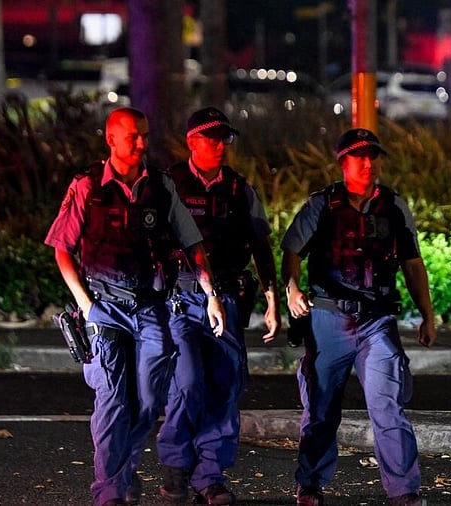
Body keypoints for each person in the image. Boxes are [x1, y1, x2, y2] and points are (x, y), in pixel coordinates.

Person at [44, 107, 226, 506]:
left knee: (147, 401)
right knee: (112, 401)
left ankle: (123, 472)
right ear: (111, 140)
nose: (142, 143)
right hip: (103, 307)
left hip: (150, 307)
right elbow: (61, 248)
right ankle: (108, 493)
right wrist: (85, 305)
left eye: (145, 135)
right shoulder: (87, 186)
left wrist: (211, 294)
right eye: (133, 137)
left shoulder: (160, 186)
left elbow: (192, 243)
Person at [280, 128, 437, 506]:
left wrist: (427, 315)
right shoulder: (321, 205)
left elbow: (413, 264)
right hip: (328, 319)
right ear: (343, 163)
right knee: (320, 408)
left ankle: (404, 491)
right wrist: (292, 290)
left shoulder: (394, 207)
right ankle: (310, 483)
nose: (368, 164)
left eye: (373, 156)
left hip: (377, 320)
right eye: (358, 157)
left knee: (388, 405)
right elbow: (291, 252)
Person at [157, 106, 281, 505]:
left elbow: (261, 245)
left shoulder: (239, 189)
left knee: (225, 385)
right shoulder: (168, 185)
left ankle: (209, 475)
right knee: (188, 381)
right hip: (180, 296)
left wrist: (272, 297)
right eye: (212, 138)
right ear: (192, 141)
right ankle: (177, 463)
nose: (221, 146)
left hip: (226, 297)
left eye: (224, 139)